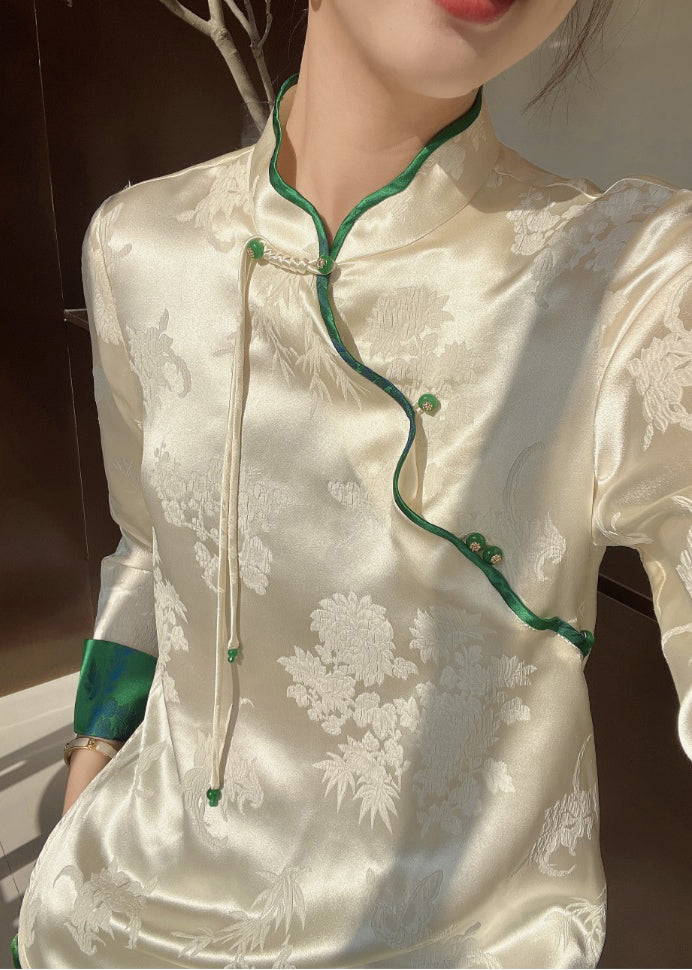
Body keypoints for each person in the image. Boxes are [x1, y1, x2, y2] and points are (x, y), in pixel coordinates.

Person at [12, 0, 692, 966]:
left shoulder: (633, 276)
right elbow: (150, 548)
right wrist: (92, 755)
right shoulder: (136, 245)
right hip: (103, 918)